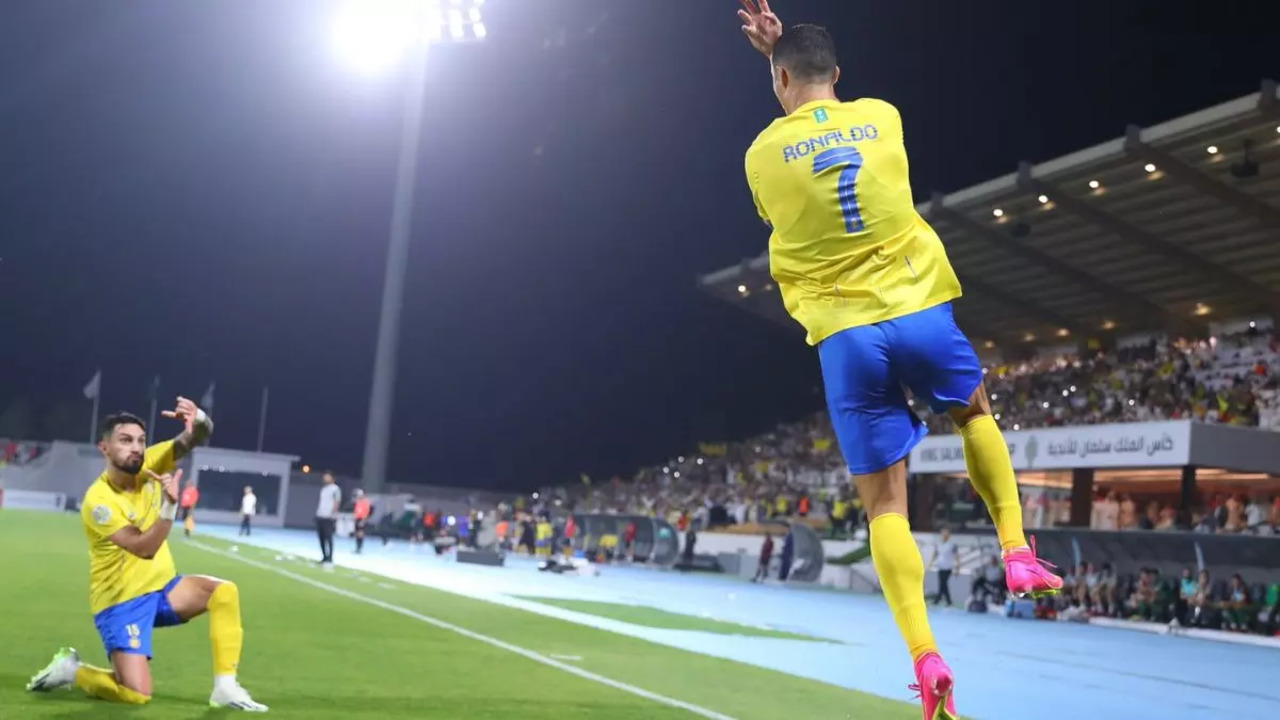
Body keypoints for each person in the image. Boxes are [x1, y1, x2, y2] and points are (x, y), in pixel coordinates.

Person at [735, 4, 1061, 716]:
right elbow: (832, 112)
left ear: (780, 75)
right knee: (974, 412)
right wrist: (787, 58)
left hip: (849, 334)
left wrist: (771, 64)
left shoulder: (761, 154)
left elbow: (788, 181)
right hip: (917, 309)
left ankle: (925, 656)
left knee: (885, 504)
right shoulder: (884, 115)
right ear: (840, 75)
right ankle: (1015, 547)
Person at [26, 399, 266, 711]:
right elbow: (144, 548)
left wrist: (200, 418)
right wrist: (169, 506)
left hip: (163, 590)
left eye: (141, 440)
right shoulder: (99, 502)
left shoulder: (153, 461)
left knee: (223, 592)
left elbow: (197, 435)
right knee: (136, 696)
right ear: (105, 448)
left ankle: (226, 687)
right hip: (120, 603)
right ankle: (73, 671)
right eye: (125, 440)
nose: (136, 448)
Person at [928, 527, 959, 607]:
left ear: (949, 535)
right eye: (943, 533)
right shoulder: (939, 544)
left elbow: (956, 556)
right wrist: (930, 562)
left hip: (948, 567)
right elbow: (935, 553)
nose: (944, 535)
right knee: (942, 584)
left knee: (944, 583)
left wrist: (957, 567)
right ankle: (945, 601)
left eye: (946, 533)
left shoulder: (952, 545)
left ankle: (940, 600)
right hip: (940, 566)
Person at [316, 473, 341, 566]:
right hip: (320, 515)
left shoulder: (335, 489)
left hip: (328, 517)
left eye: (327, 477)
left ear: (332, 478)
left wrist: (333, 513)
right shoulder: (324, 489)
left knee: (328, 537)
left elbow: (337, 502)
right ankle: (324, 556)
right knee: (321, 538)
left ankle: (330, 557)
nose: (325, 478)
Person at [352, 490, 372, 554]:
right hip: (357, 519)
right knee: (357, 534)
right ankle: (357, 548)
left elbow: (367, 512)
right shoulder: (358, 502)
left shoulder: (366, 502)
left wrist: (363, 521)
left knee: (360, 534)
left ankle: (359, 548)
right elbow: (356, 511)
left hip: (362, 519)